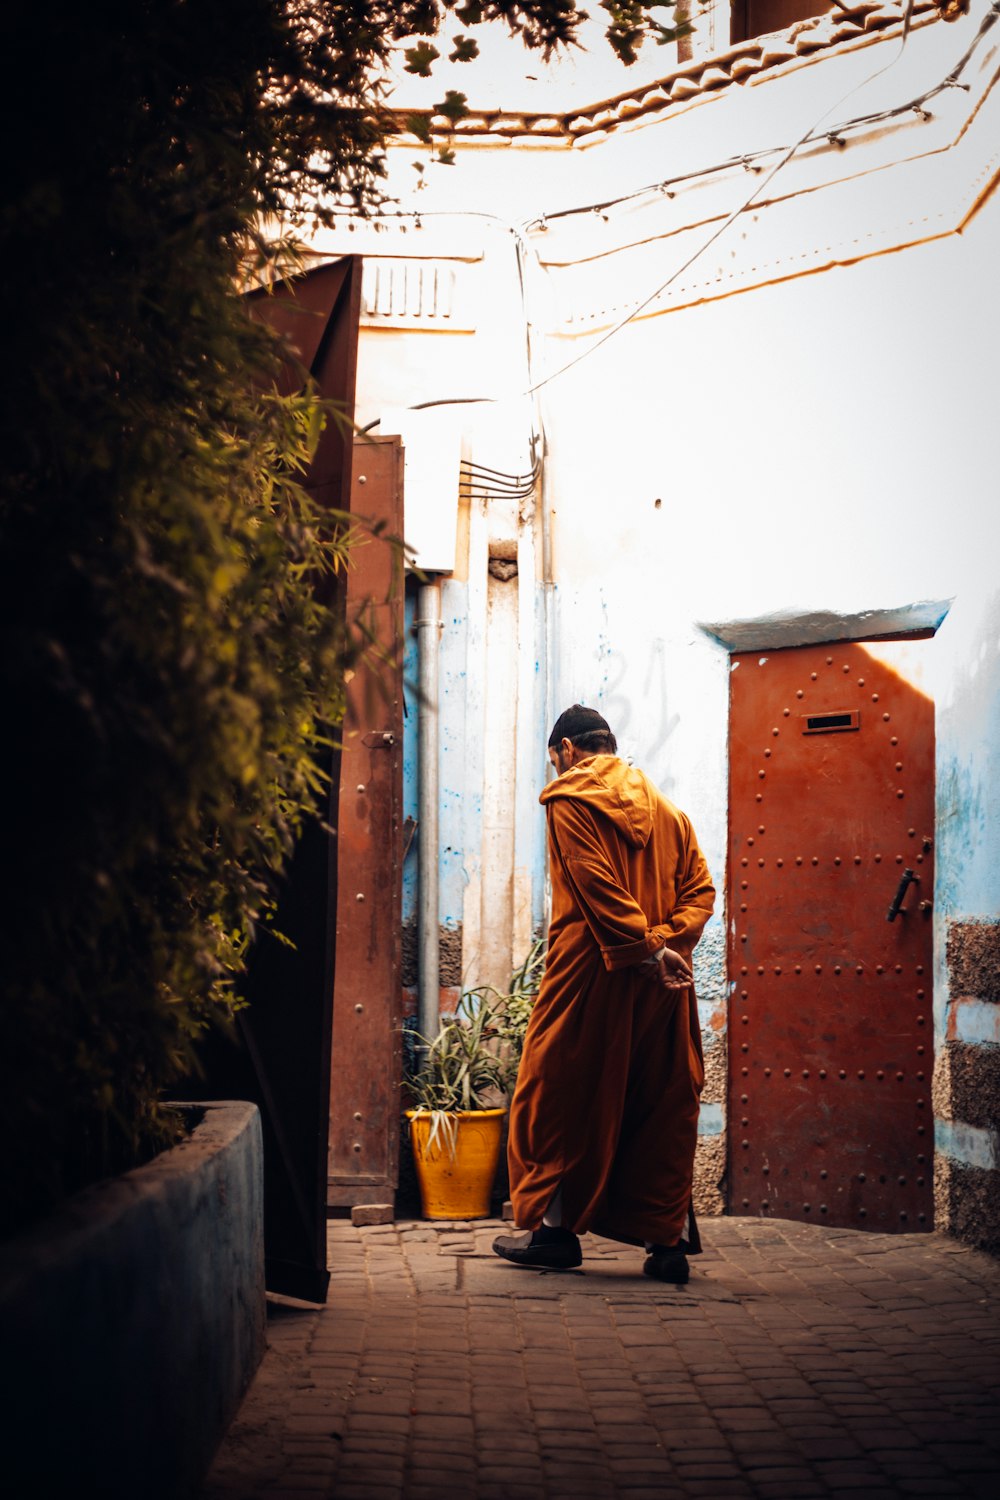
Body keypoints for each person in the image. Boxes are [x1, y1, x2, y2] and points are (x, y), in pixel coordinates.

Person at [493, 704, 715, 1282]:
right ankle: (666, 1245)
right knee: (661, 1102)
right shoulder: (671, 813)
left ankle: (553, 1235)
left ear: (566, 751)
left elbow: (595, 884)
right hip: (666, 984)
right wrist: (665, 945)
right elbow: (702, 890)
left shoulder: (570, 798)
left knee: (554, 1097)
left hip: (592, 975)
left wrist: (643, 949)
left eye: (553, 760)